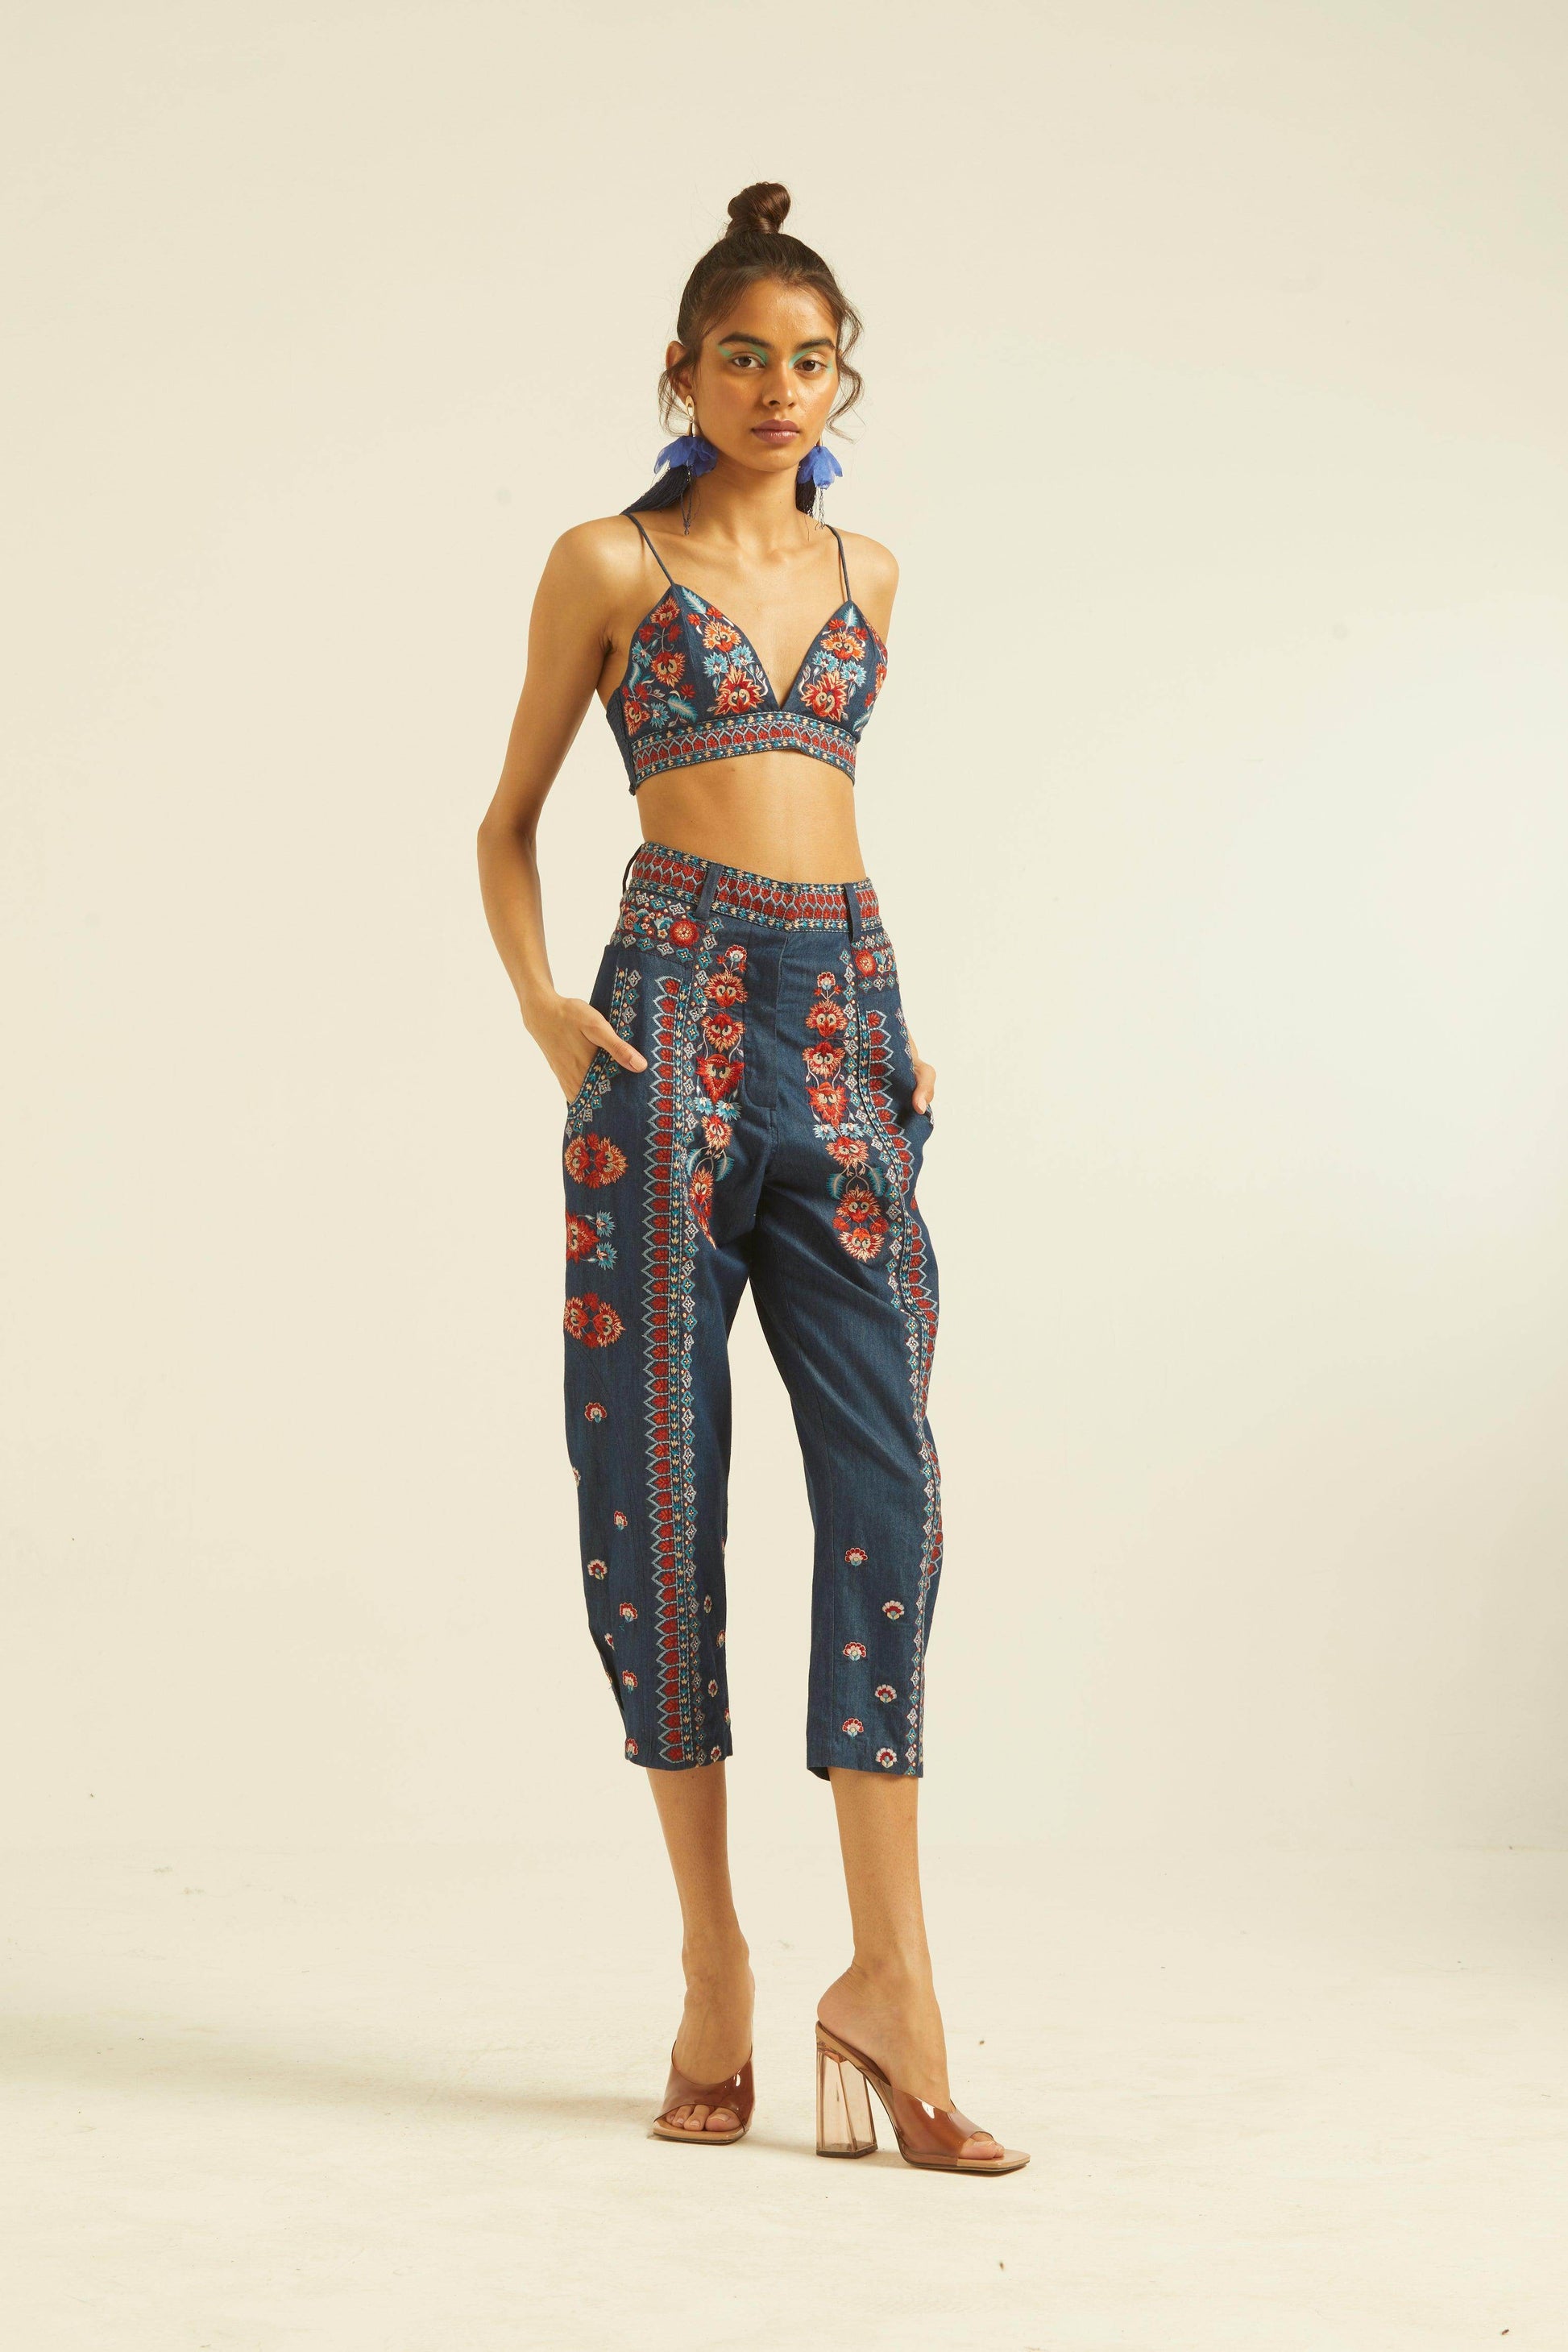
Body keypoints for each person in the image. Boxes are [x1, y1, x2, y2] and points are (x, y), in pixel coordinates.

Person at [476, 181, 1026, 2176]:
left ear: (837, 378)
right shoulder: (606, 561)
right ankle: (713, 1960)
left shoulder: (873, 569)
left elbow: (831, 820)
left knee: (890, 1485)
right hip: (665, 1010)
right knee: (655, 1479)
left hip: (849, 1012)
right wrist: (547, 1007)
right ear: (682, 371)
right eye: (741, 357)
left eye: (808, 360)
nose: (777, 389)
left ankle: (893, 1979)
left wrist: (888, 1030)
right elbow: (506, 819)